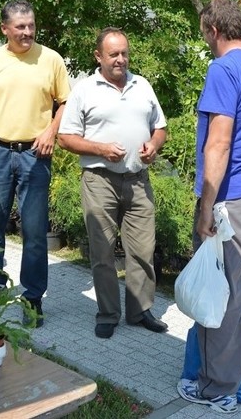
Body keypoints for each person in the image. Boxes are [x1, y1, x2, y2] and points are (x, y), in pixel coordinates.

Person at [176, 0, 241, 414]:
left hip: (233, 199)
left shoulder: (223, 69)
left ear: (214, 31)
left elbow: (218, 142)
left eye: (205, 34)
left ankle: (217, 387)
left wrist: (206, 205)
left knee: (223, 294)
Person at [57, 28, 168, 339]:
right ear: (98, 57)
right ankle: (108, 313)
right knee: (103, 251)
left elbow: (160, 127)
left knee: (143, 249)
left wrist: (154, 145)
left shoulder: (141, 85)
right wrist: (101, 149)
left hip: (137, 179)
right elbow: (65, 138)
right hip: (99, 180)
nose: (121, 59)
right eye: (113, 54)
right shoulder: (84, 90)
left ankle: (140, 310)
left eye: (124, 53)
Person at [0, 0, 71, 327]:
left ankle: (32, 300)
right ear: (5, 29)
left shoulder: (51, 60)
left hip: (34, 155)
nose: (27, 32)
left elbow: (66, 102)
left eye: (31, 26)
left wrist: (51, 131)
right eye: (20, 27)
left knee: (35, 232)